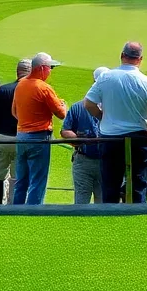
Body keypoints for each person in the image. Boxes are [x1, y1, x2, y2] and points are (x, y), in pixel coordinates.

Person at [83, 41, 147, 204]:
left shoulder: (105, 77)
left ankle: (110, 220)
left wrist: (103, 117)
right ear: (140, 59)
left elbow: (88, 103)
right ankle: (137, 220)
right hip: (138, 138)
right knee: (138, 183)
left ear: (122, 56)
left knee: (110, 184)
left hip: (110, 137)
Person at [11, 52, 66, 205]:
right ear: (42, 69)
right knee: (38, 181)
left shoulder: (20, 85)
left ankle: (16, 211)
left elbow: (14, 111)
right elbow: (61, 114)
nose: (50, 71)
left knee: (21, 180)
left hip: (21, 136)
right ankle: (33, 213)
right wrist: (63, 106)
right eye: (50, 68)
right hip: (39, 137)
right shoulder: (44, 88)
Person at [0, 58, 30, 206]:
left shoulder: (4, 90)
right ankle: (15, 207)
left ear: (17, 71)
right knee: (18, 177)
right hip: (22, 139)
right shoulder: (31, 90)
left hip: (3, 139)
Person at [61, 66, 107, 204]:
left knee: (103, 202)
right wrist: (79, 140)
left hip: (106, 161)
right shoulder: (78, 107)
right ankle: (80, 225)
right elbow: (65, 131)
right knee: (82, 200)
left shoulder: (112, 107)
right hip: (83, 160)